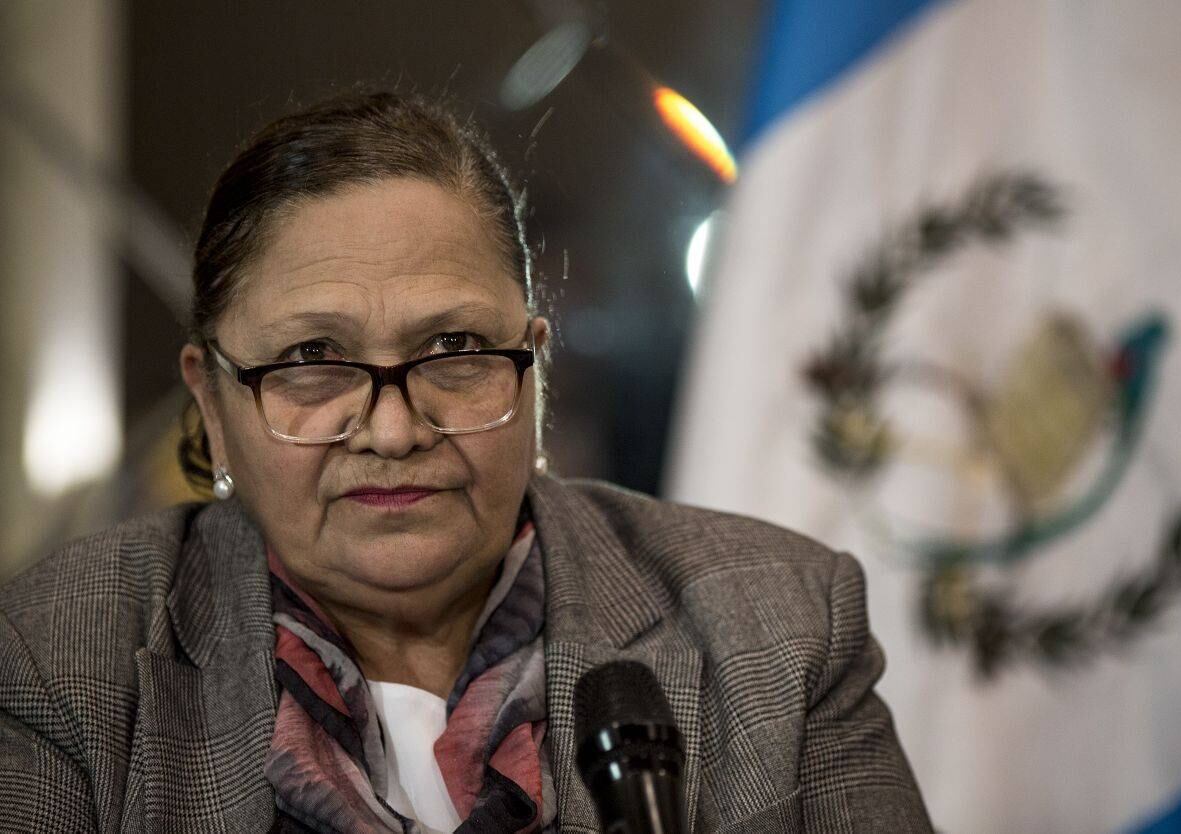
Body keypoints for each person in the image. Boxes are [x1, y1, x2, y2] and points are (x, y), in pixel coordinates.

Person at [0, 90, 932, 833]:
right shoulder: (60, 660)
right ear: (210, 398)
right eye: (313, 359)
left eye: (454, 349)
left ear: (536, 366)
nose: (394, 431)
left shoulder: (780, 627)